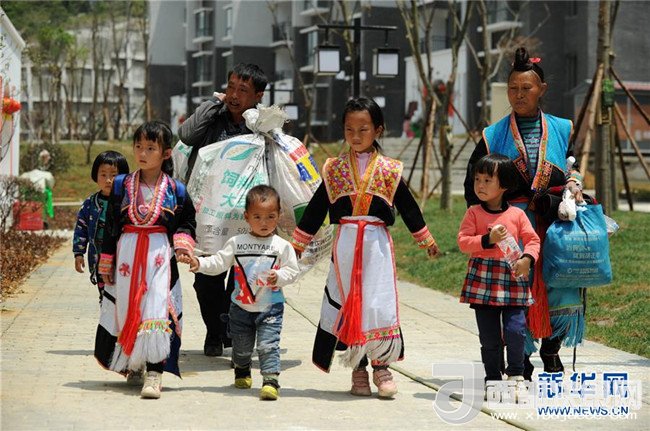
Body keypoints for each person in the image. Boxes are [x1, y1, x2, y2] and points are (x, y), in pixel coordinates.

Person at [291, 97, 440, 399]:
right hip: (346, 244)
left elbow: (408, 207)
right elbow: (317, 209)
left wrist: (425, 239)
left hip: (376, 246)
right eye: (349, 129)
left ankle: (381, 367)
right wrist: (298, 243)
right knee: (348, 302)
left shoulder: (389, 170)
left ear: (378, 130)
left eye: (363, 129)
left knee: (377, 303)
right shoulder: (334, 169)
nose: (356, 136)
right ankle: (358, 367)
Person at [463, 47, 585, 380]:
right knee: (517, 284)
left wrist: (573, 184)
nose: (519, 94)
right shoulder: (492, 134)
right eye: (513, 88)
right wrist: (486, 220)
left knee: (560, 282)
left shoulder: (561, 127)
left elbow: (573, 165)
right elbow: (474, 180)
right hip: (513, 224)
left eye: (526, 88)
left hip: (556, 220)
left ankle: (552, 347)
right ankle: (523, 355)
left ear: (541, 89)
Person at [96, 120, 196, 399]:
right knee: (129, 306)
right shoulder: (121, 185)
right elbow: (111, 224)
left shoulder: (176, 190)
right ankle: (134, 362)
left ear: (166, 153)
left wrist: (182, 245)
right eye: (138, 146)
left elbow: (188, 222)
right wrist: (106, 260)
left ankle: (155, 372)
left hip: (159, 255)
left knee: (157, 308)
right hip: (127, 254)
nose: (142, 152)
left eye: (150, 148)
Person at [178, 63, 268, 357]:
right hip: (208, 214)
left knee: (241, 276)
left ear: (258, 95)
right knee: (206, 279)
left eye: (243, 90)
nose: (234, 95)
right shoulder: (213, 117)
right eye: (230, 87)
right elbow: (186, 134)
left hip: (246, 216)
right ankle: (215, 330)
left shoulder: (264, 125)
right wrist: (212, 104)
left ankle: (230, 329)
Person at [179, 185, 299, 401]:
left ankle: (270, 381)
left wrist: (280, 277)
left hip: (271, 309)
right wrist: (199, 263)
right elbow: (219, 263)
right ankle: (242, 369)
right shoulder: (237, 243)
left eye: (270, 217)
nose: (264, 223)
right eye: (257, 217)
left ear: (279, 216)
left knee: (268, 345)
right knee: (242, 348)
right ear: (246, 217)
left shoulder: (282, 246)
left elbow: (293, 271)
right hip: (240, 308)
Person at [458, 154, 540, 399]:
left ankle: (516, 375)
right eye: (477, 179)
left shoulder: (517, 215)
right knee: (489, 337)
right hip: (483, 280)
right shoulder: (473, 213)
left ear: (504, 185)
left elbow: (533, 240)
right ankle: (493, 379)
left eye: (487, 180)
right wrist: (487, 240)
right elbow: (463, 242)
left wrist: (527, 259)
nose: (480, 185)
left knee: (516, 330)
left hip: (513, 277)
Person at [73, 151, 129, 304]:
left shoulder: (128, 202)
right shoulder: (90, 204)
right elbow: (81, 229)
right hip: (99, 259)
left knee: (123, 295)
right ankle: (106, 312)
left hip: (124, 258)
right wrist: (78, 253)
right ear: (95, 176)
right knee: (105, 296)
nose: (108, 180)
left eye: (114, 175)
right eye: (103, 175)